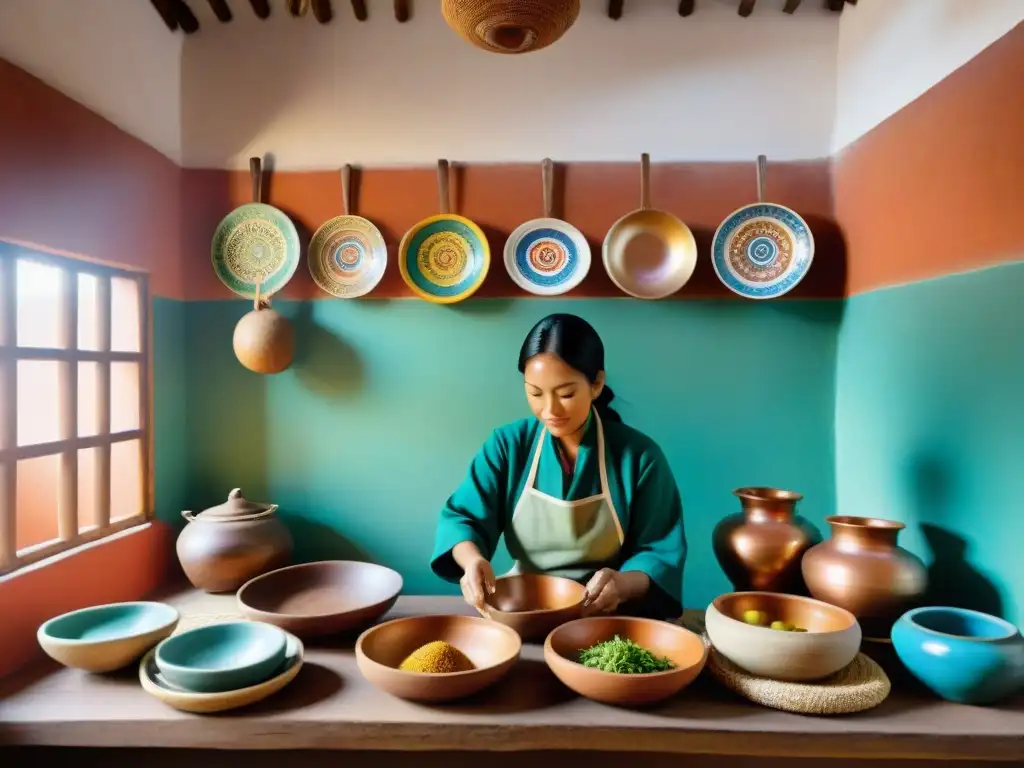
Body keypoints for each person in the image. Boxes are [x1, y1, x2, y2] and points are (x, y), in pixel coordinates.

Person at [430, 313, 686, 619]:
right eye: (535, 393)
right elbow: (463, 518)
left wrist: (623, 584)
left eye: (565, 394)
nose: (549, 410)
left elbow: (659, 551)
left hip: (604, 613)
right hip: (522, 606)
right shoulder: (508, 445)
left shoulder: (640, 457)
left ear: (596, 384)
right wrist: (472, 561)